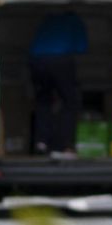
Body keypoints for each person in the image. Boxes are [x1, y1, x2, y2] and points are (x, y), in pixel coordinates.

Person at [29, 10, 87, 157]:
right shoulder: (74, 20)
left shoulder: (48, 18)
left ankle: (41, 142)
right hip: (60, 60)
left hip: (36, 60)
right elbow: (82, 47)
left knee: (43, 101)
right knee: (70, 102)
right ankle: (65, 146)